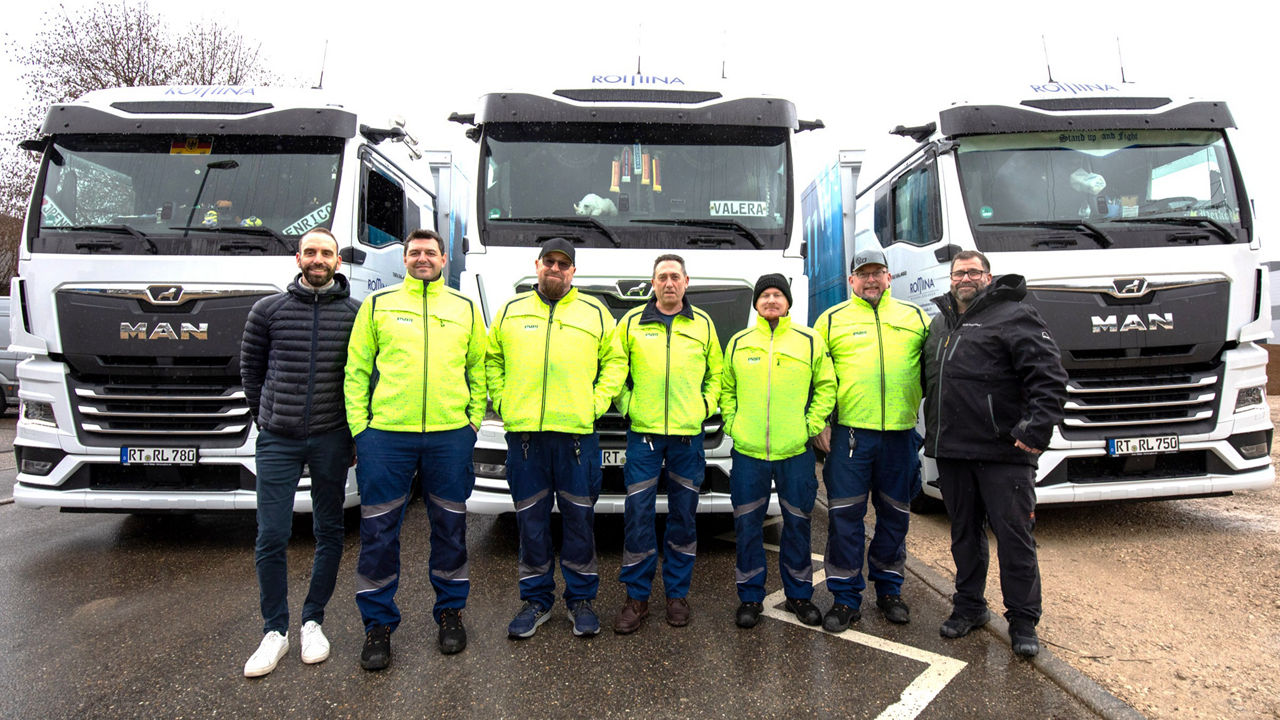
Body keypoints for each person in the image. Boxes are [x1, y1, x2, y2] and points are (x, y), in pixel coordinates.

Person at [344, 228, 486, 669]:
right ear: (405, 259)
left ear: (445, 260)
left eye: (430, 252)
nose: (422, 258)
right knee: (379, 532)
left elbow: (478, 367)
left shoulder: (463, 308)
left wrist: (472, 423)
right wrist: (361, 430)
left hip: (449, 436)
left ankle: (449, 613)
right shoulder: (378, 305)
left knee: (449, 529)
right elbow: (356, 371)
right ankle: (378, 625)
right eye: (415, 252)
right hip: (386, 437)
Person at [922, 250, 1067, 658]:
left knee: (1014, 538)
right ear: (949, 279)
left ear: (989, 276)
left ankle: (1022, 621)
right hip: (953, 451)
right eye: (958, 272)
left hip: (1004, 453)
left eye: (973, 271)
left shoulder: (1014, 315)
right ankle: (969, 607)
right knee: (964, 536)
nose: (965, 278)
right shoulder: (940, 324)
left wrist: (1035, 431)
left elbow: (1050, 378)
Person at [486, 237, 627, 639]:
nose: (556, 268)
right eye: (550, 261)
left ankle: (580, 599)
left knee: (580, 522)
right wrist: (503, 399)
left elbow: (615, 360)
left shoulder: (595, 312)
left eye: (564, 264)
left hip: (576, 438)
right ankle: (536, 600)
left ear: (573, 271)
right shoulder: (512, 310)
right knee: (531, 522)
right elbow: (492, 359)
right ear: (537, 265)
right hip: (526, 437)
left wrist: (596, 403)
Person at [240, 227, 360, 678]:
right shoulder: (267, 311)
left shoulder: (355, 314)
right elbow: (251, 371)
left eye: (325, 253)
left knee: (329, 531)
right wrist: (265, 417)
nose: (317, 259)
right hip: (278, 438)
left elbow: (363, 376)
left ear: (337, 261)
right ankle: (275, 630)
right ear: (297, 258)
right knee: (271, 534)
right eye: (310, 252)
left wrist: (352, 437)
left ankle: (313, 621)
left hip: (332, 436)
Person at [813, 248, 929, 632]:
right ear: (851, 281)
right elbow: (815, 378)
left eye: (878, 272)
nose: (871, 280)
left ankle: (889, 590)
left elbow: (934, 371)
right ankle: (846, 599)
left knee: (894, 517)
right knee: (845, 518)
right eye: (863, 274)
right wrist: (820, 424)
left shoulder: (915, 318)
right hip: (850, 438)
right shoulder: (830, 321)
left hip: (899, 436)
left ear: (889, 278)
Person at [611, 254, 723, 633]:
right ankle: (637, 598)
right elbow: (616, 372)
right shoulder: (630, 323)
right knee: (638, 517)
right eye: (663, 277)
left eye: (676, 276)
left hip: (687, 438)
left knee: (683, 518)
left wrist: (702, 409)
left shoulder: (704, 324)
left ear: (687, 282)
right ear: (653, 284)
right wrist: (629, 408)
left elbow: (717, 376)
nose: (669, 283)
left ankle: (677, 595)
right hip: (643, 437)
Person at [720, 273, 836, 629]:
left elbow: (827, 386)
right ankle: (750, 598)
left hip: (795, 453)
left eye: (777, 295)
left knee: (798, 525)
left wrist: (811, 426)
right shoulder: (739, 341)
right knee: (748, 527)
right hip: (749, 453)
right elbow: (727, 389)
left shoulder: (810, 340)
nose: (771, 300)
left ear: (788, 303)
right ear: (756, 303)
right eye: (765, 295)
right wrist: (732, 424)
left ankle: (800, 596)